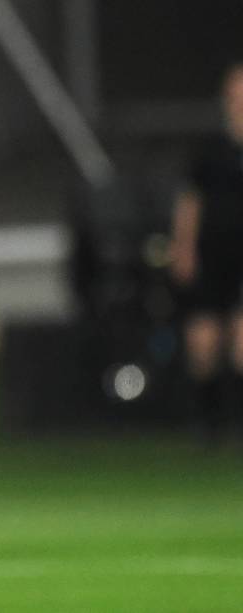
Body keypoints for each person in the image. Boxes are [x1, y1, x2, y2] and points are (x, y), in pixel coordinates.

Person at [170, 63, 243, 441]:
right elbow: (190, 203)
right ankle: (207, 422)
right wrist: (183, 247)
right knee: (203, 343)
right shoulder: (210, 152)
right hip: (213, 256)